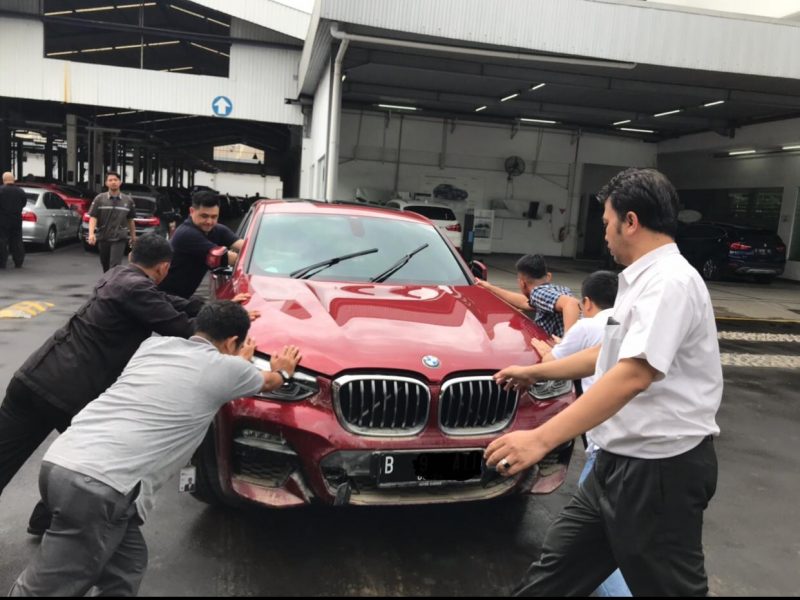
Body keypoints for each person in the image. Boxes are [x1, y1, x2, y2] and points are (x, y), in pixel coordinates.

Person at [486, 168, 722, 596]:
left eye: (606, 222)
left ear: (630, 221)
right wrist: (535, 371)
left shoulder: (670, 282)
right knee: (552, 578)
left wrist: (540, 438)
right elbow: (608, 356)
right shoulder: (638, 281)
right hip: (613, 464)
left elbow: (633, 375)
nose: (605, 233)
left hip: (659, 471)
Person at [9, 301, 301, 596]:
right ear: (232, 342)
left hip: (61, 462)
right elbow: (269, 381)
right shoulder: (227, 368)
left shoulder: (153, 347)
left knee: (127, 565)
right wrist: (283, 371)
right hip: (100, 486)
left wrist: (236, 363)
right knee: (48, 586)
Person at [0, 234, 256, 536]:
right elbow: (182, 328)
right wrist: (228, 324)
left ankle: (45, 520)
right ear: (163, 267)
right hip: (67, 392)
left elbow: (166, 301)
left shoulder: (118, 275)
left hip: (32, 378)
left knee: (8, 456)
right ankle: (50, 521)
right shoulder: (138, 291)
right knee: (86, 463)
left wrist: (211, 307)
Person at [530, 270, 630, 598]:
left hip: (605, 442)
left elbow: (554, 360)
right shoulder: (626, 319)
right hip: (633, 447)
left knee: (583, 548)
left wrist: (540, 351)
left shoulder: (587, 326)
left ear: (587, 302)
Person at [158, 191, 244, 299]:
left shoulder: (218, 230)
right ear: (192, 211)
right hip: (163, 296)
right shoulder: (186, 234)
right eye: (204, 216)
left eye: (214, 217)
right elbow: (232, 258)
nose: (209, 221)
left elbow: (247, 247)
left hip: (182, 297)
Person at [476, 254, 580, 337]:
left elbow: (572, 303)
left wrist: (568, 343)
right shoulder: (556, 290)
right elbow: (524, 302)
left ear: (522, 283)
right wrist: (490, 287)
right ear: (548, 276)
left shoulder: (537, 292)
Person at [87, 171, 137, 272]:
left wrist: (133, 237)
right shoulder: (99, 199)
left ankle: (112, 285)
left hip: (119, 238)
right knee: (105, 266)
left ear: (120, 182)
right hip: (103, 237)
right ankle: (108, 283)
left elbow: (130, 220)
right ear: (106, 183)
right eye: (110, 180)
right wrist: (91, 234)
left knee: (114, 266)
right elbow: (93, 217)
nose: (113, 182)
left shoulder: (128, 201)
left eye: (115, 180)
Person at [0, 171, 27, 269]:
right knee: (17, 240)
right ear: (13, 180)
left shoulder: (1, 190)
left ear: (3, 180)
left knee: (2, 240)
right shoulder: (20, 191)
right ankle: (18, 262)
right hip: (16, 219)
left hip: (2, 219)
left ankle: (2, 262)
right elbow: (24, 203)